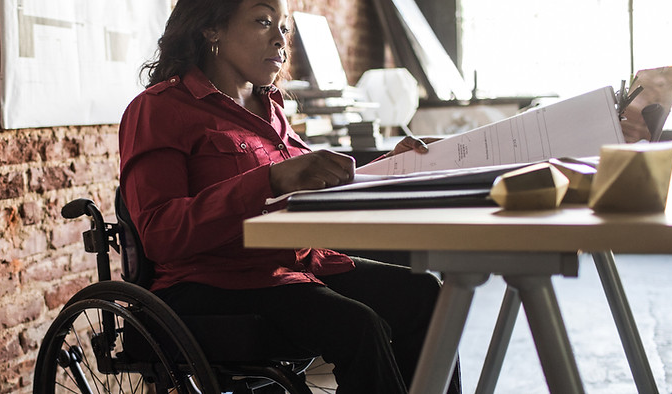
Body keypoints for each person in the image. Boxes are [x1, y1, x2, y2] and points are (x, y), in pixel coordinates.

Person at [118, 0, 461, 392]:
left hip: (298, 265)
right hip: (213, 280)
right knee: (357, 325)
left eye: (283, 27)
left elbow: (319, 184)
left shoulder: (271, 108)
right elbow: (160, 233)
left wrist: (395, 164)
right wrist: (270, 179)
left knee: (425, 294)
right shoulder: (158, 109)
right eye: (263, 21)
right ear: (211, 28)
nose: (280, 39)